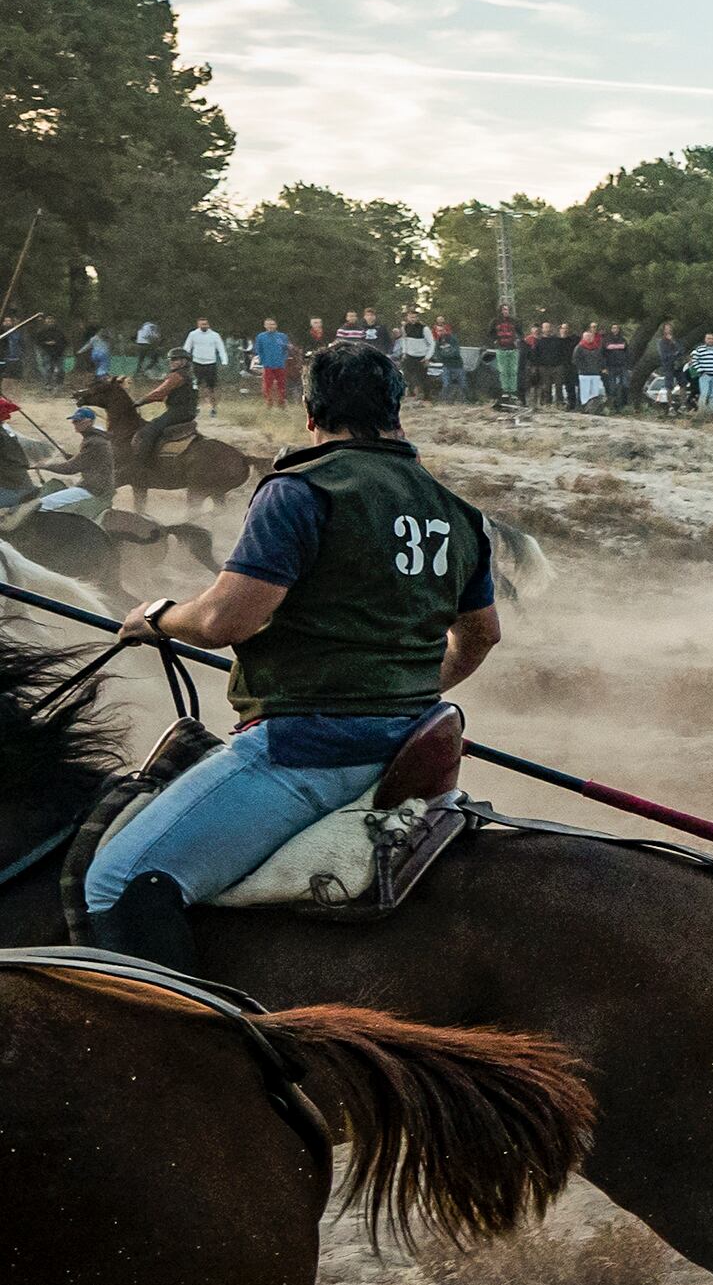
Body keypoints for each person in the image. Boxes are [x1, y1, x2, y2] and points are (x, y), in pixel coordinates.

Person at [74, 345, 499, 974]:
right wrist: (398, 686)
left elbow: (227, 620)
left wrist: (157, 617)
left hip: (309, 747)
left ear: (310, 413)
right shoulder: (457, 513)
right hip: (409, 738)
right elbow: (482, 635)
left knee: (117, 882)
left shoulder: (301, 490)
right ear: (396, 412)